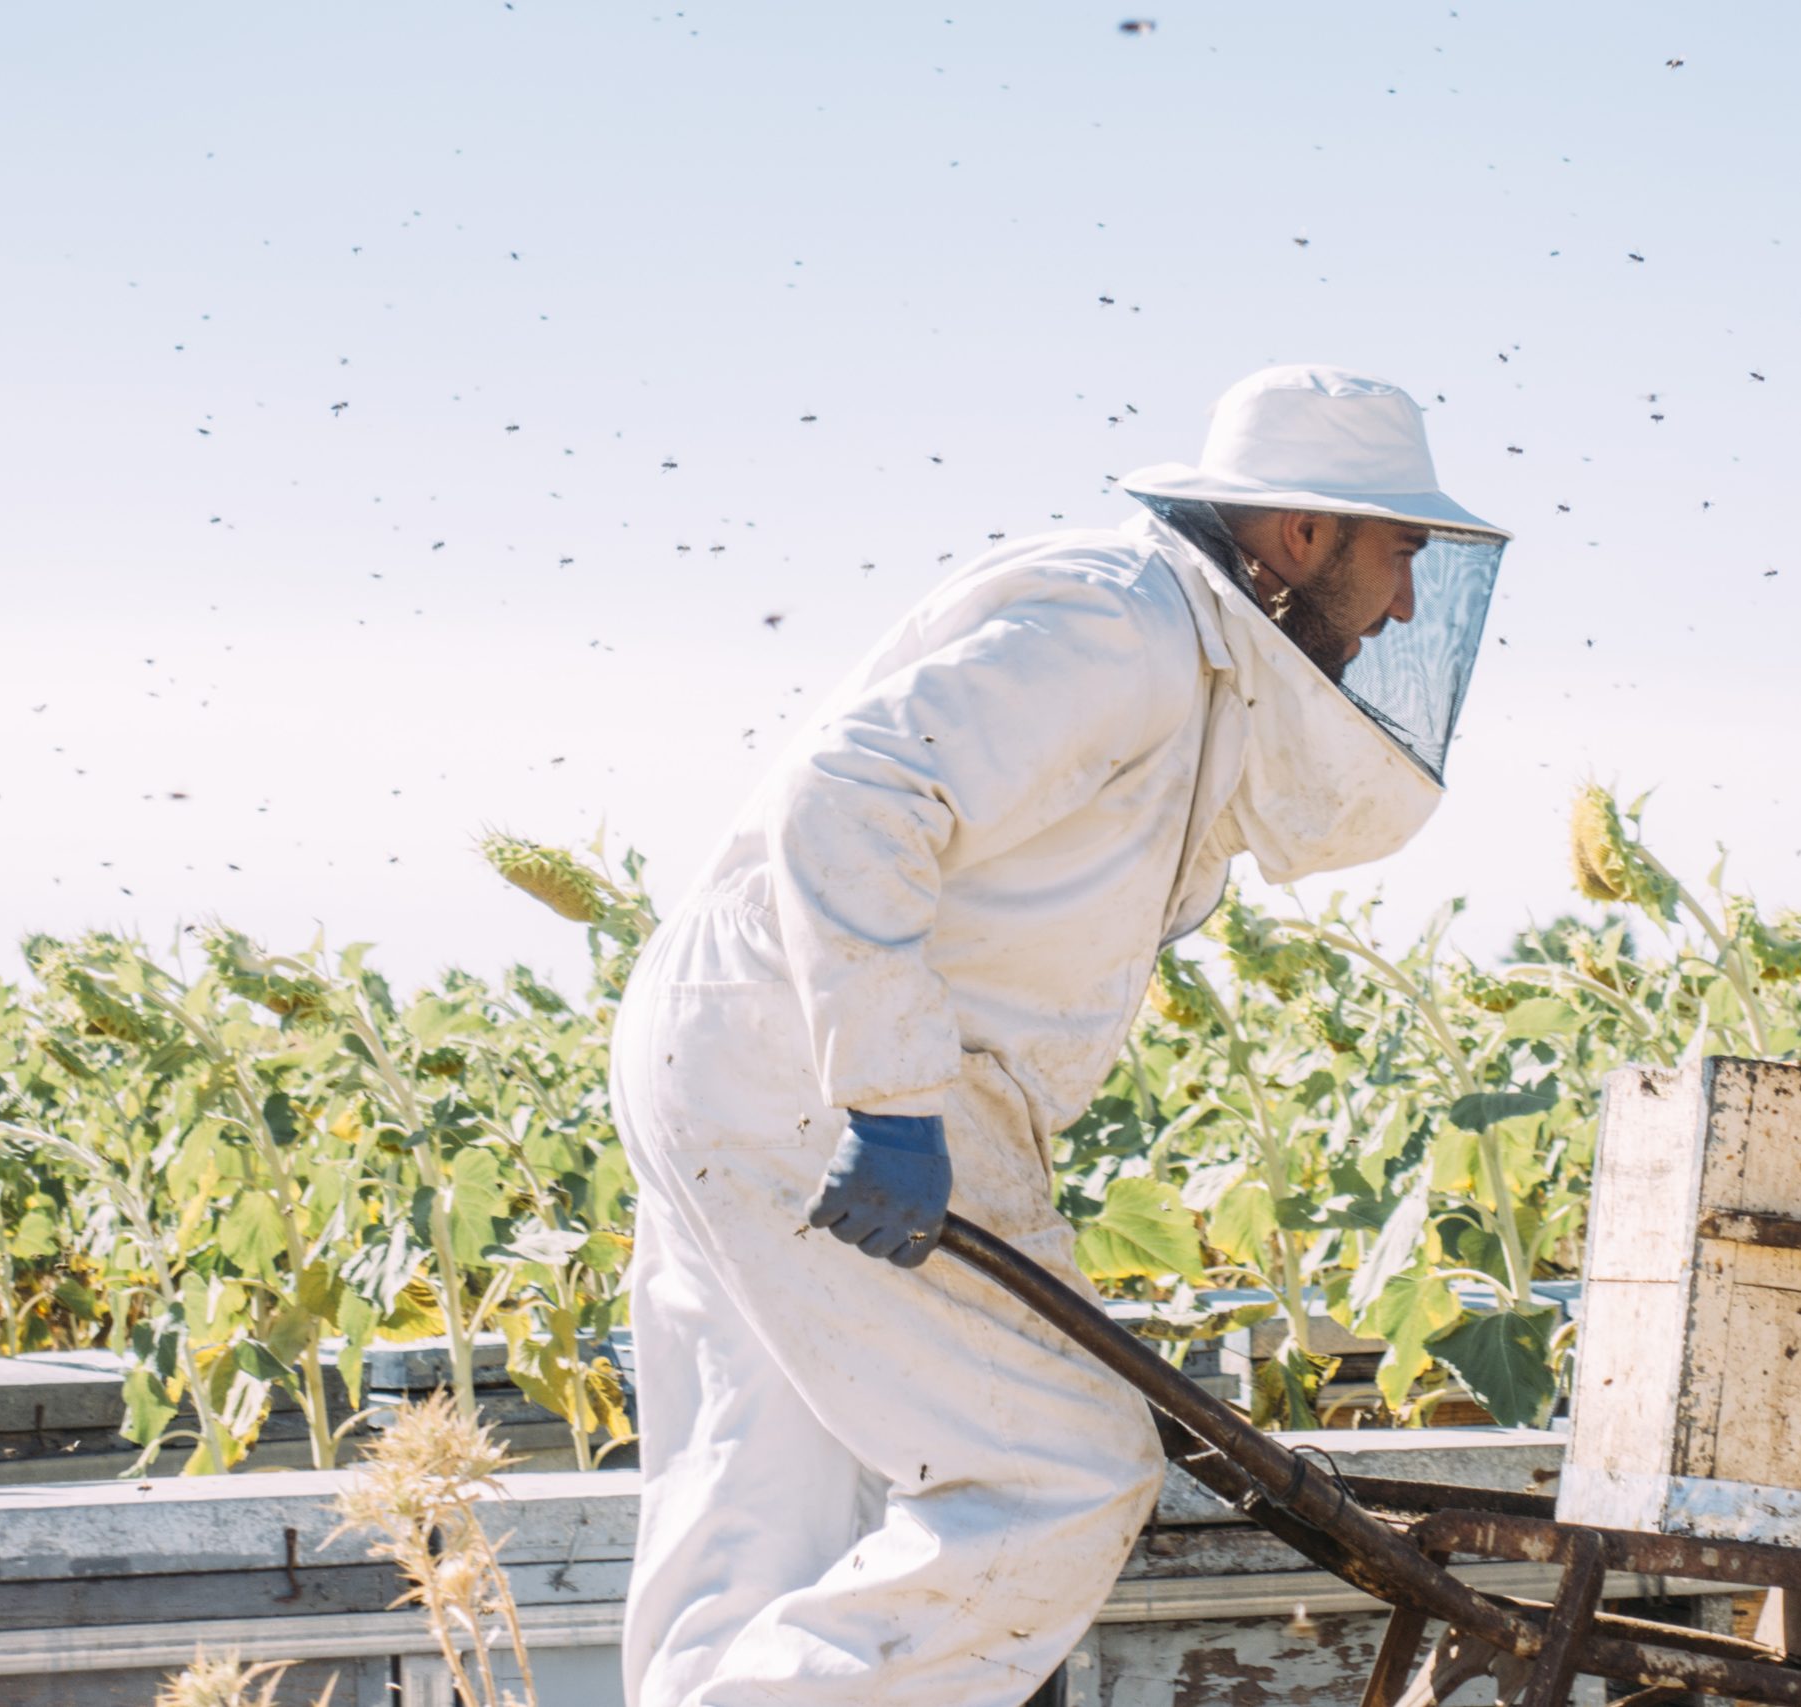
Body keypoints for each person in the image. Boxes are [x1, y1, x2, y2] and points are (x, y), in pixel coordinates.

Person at [612, 364, 1510, 1706]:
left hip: (747, 1055)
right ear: (1302, 533)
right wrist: (894, 1097)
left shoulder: (1183, 654)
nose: (1407, 605)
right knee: (1069, 1471)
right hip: (817, 1079)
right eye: (1398, 555)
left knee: (765, 1495)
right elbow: (854, 795)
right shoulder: (1125, 625)